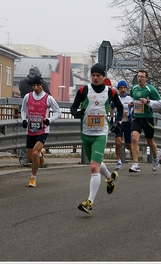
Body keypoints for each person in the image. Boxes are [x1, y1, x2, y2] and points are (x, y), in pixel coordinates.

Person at [70, 63, 123, 214]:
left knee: (94, 167)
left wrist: (118, 122)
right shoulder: (84, 90)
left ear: (103, 77)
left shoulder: (110, 92)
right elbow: (73, 107)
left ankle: (90, 202)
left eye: (98, 75)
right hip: (86, 133)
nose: (95, 78)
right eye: (93, 75)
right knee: (97, 163)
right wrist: (76, 113)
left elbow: (120, 107)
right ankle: (111, 177)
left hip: (100, 134)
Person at [21, 75, 61, 187]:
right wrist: (24, 119)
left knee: (34, 152)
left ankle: (33, 178)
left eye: (38, 85)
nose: (35, 88)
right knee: (30, 157)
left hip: (43, 130)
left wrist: (49, 120)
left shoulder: (48, 98)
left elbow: (58, 112)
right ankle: (41, 154)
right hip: (30, 130)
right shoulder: (27, 97)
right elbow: (23, 110)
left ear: (42, 85)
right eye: (33, 86)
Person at [128, 69, 161, 173]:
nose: (140, 78)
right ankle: (135, 164)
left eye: (142, 76)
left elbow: (160, 104)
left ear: (146, 78)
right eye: (138, 76)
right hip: (136, 117)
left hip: (147, 118)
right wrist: (131, 103)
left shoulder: (151, 89)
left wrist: (148, 101)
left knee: (150, 141)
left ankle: (156, 158)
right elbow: (132, 98)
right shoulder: (134, 88)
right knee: (134, 139)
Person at [18, 66, 51, 166]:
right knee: (37, 136)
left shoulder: (22, 82)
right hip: (38, 114)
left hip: (26, 113)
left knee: (26, 136)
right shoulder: (42, 83)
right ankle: (39, 154)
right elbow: (48, 96)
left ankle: (24, 157)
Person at [110, 80, 133, 170]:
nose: (123, 89)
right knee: (118, 142)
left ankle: (131, 149)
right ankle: (119, 161)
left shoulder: (130, 99)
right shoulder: (116, 98)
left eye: (124, 88)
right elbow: (111, 107)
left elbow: (135, 109)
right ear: (118, 89)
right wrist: (112, 118)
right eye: (121, 88)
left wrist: (132, 110)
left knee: (128, 145)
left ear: (126, 88)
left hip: (128, 123)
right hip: (119, 123)